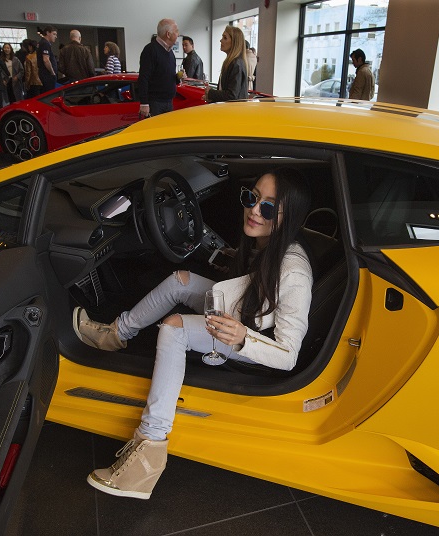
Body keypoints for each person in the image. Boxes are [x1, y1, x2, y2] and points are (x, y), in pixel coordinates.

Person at [76, 168, 313, 500]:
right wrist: (229, 258)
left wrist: (242, 337)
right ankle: (115, 334)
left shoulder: (294, 273)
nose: (254, 210)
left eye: (269, 208)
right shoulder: (266, 244)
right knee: (180, 280)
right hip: (240, 314)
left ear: (289, 218)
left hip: (249, 343)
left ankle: (149, 451)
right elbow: (252, 285)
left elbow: (288, 356)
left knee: (174, 329)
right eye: (252, 198)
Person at [136, 19, 179, 118]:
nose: (178, 34)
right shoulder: (150, 50)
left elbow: (163, 76)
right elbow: (143, 77)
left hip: (168, 102)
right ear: (168, 34)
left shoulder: (170, 53)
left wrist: (177, 77)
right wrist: (144, 103)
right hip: (155, 103)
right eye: (176, 31)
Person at [204, 26, 248, 103]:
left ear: (234, 42)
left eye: (225, 38)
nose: (221, 40)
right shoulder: (231, 62)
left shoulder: (236, 64)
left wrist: (210, 93)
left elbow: (232, 95)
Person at [37, 25, 59, 90]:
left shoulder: (44, 43)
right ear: (47, 33)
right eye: (54, 34)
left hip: (45, 74)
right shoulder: (45, 43)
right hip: (47, 75)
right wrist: (52, 72)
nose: (56, 36)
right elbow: (46, 60)